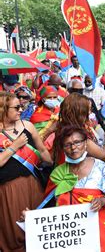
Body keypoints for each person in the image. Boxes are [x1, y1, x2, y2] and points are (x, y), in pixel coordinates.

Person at [44, 125, 105, 251]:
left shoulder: (99, 167)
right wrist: (31, 219)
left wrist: (104, 200)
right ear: (63, 148)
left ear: (85, 144)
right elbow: (49, 205)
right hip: (71, 235)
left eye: (77, 142)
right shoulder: (58, 174)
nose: (73, 148)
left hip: (100, 229)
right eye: (67, 145)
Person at [0, 91, 53, 252]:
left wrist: (52, 164)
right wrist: (14, 147)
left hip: (33, 184)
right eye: (16, 107)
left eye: (21, 106)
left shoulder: (27, 125)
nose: (21, 109)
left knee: (36, 227)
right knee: (14, 230)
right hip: (9, 190)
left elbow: (42, 150)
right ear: (3, 109)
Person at [47, 93, 105, 164]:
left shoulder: (62, 128)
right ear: (80, 113)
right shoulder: (77, 137)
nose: (90, 113)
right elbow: (104, 156)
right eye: (88, 110)